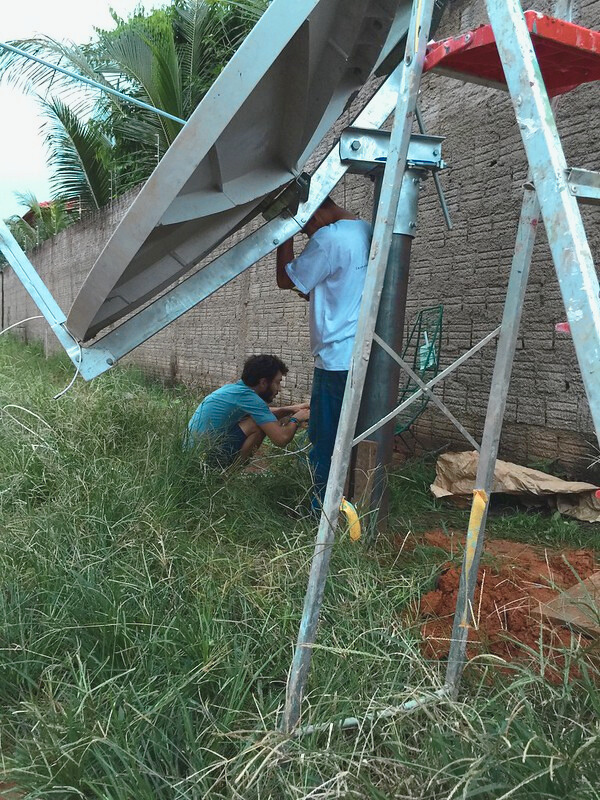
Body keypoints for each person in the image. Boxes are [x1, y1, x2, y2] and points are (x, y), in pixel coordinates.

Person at [276, 196, 372, 505]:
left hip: (335, 359)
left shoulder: (328, 238)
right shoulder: (367, 231)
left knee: (324, 439)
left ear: (314, 213)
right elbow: (345, 285)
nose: (308, 234)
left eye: (305, 227)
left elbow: (283, 279)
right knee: (354, 436)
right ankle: (354, 503)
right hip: (362, 353)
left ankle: (321, 511)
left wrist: (285, 231)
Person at [186, 354, 309, 467]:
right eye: (277, 383)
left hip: (190, 458)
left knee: (255, 419)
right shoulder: (251, 399)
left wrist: (290, 409)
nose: (279, 389)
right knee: (256, 424)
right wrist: (296, 419)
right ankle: (226, 477)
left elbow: (263, 412)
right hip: (203, 461)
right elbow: (281, 439)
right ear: (263, 382)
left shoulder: (236, 391)